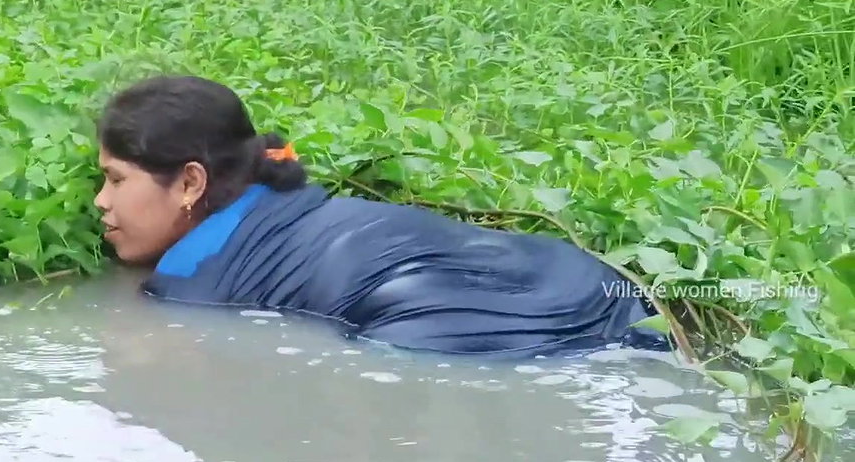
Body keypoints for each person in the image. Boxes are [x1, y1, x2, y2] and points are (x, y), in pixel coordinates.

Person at [93, 75, 670, 359]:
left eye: (117, 179)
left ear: (191, 182)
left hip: (454, 329)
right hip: (589, 281)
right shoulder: (292, 205)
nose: (101, 200)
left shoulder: (192, 282)